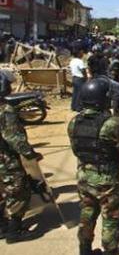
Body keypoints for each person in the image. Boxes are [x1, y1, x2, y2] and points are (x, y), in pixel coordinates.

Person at [69, 79, 119, 255]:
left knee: (87, 214)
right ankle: (110, 251)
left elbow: (77, 149)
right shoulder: (112, 124)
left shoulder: (74, 122)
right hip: (108, 180)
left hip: (84, 177)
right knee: (111, 218)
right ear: (102, 99)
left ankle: (84, 250)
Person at [0, 72, 43, 243]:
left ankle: (2, 226)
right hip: (6, 159)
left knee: (2, 191)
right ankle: (14, 231)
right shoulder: (5, 110)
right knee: (18, 191)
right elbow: (14, 138)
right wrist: (31, 155)